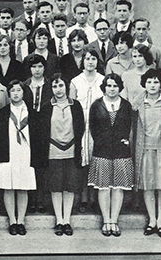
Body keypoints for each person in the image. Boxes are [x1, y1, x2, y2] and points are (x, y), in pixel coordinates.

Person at [132, 69, 161, 238]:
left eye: (156, 82)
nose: (152, 85)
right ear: (144, 84)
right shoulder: (137, 105)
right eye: (149, 82)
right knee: (148, 186)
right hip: (144, 149)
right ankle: (152, 221)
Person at [39, 73, 85, 236]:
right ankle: (59, 220)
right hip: (53, 151)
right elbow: (43, 131)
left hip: (72, 151)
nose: (58, 90)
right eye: (54, 86)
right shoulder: (46, 106)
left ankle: (67, 220)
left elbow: (81, 129)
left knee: (70, 187)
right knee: (56, 187)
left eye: (60, 85)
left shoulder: (76, 105)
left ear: (66, 86)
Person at [88, 73, 133, 237]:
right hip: (102, 151)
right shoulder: (96, 105)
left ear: (119, 87)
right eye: (109, 85)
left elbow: (128, 126)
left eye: (115, 86)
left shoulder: (126, 105)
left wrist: (124, 141)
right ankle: (106, 220)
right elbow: (93, 128)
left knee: (118, 188)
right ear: (104, 87)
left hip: (121, 151)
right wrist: (102, 141)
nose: (112, 89)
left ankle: (114, 221)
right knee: (104, 187)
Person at [0, 80, 37, 236]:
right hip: (9, 152)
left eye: (19, 90)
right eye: (13, 91)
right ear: (9, 93)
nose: (16, 93)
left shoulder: (31, 112)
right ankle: (12, 220)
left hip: (25, 152)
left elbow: (37, 135)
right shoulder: (4, 112)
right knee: (9, 186)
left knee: (23, 187)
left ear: (23, 92)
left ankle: (21, 220)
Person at [69, 49, 104, 213]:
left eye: (93, 59)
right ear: (82, 61)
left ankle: (95, 198)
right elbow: (72, 106)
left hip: (98, 126)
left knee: (96, 160)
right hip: (81, 125)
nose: (90, 62)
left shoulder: (102, 80)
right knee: (82, 161)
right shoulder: (76, 81)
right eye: (87, 59)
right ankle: (82, 198)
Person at [23, 54, 53, 213]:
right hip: (28, 128)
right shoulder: (24, 85)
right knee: (29, 164)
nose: (37, 70)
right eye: (34, 67)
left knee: (42, 166)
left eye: (40, 66)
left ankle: (41, 199)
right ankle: (30, 199)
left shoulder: (49, 85)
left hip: (45, 128)